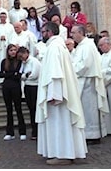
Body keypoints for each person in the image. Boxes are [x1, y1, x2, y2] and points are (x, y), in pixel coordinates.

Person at [36, 21, 88, 165]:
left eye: (44, 31)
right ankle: (68, 152)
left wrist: (54, 94)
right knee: (63, 123)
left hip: (58, 96)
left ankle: (63, 154)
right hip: (61, 93)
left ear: (50, 32)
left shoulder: (54, 48)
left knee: (60, 124)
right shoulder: (58, 46)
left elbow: (55, 73)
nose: (42, 34)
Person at [70, 24, 109, 144]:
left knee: (89, 110)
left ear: (80, 33)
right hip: (82, 81)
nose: (71, 35)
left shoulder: (88, 45)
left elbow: (85, 65)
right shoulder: (80, 46)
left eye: (73, 32)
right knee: (85, 109)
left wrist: (72, 71)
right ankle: (86, 134)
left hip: (88, 82)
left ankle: (93, 135)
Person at [0, 44, 27, 141]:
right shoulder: (4, 62)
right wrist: (12, 74)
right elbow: (0, 74)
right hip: (6, 87)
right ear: (8, 52)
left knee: (18, 109)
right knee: (8, 109)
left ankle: (22, 131)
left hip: (16, 87)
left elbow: (18, 75)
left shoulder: (19, 62)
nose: (13, 52)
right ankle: (9, 132)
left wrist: (8, 74)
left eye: (15, 50)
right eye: (11, 50)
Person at [17, 46, 41, 140]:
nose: (22, 58)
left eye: (22, 55)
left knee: (35, 109)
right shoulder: (24, 63)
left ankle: (37, 131)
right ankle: (34, 130)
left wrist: (26, 76)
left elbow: (34, 75)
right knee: (31, 109)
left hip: (34, 86)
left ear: (26, 53)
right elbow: (21, 75)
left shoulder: (34, 62)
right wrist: (26, 75)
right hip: (27, 86)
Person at [0, 12, 15, 84]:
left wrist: (6, 38)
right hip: (0, 46)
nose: (3, 18)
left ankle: (9, 77)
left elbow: (13, 36)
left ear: (6, 17)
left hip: (8, 46)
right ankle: (0, 79)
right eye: (1, 17)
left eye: (4, 17)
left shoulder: (10, 26)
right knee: (0, 62)